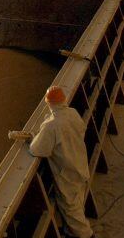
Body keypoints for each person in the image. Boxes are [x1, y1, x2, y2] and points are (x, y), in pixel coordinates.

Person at [30, 86, 93, 238]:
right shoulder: (72, 113)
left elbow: (37, 150)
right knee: (77, 203)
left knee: (72, 212)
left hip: (67, 174)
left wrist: (35, 136)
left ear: (48, 103)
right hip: (80, 165)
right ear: (64, 100)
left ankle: (87, 235)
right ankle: (69, 232)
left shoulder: (51, 124)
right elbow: (81, 129)